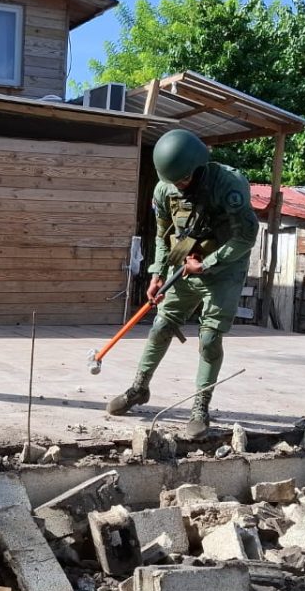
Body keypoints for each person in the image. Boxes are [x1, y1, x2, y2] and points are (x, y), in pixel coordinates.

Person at [106, 129, 259, 438]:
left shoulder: (230, 185)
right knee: (162, 325)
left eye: (184, 180)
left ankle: (200, 407)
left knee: (209, 338)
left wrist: (208, 263)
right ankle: (139, 389)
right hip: (185, 260)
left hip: (223, 267)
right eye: (173, 181)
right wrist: (157, 273)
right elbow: (164, 235)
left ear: (199, 167)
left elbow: (246, 237)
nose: (179, 186)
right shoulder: (165, 190)